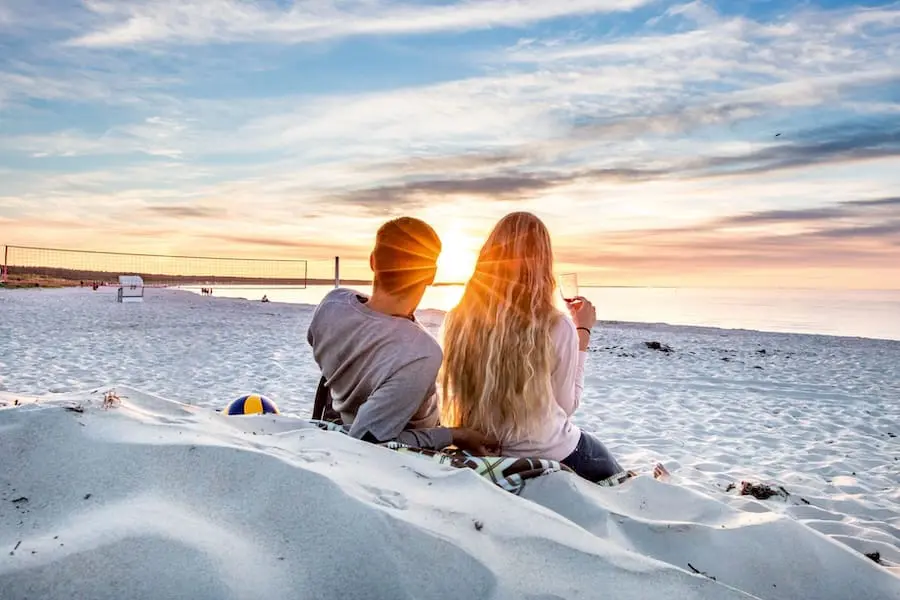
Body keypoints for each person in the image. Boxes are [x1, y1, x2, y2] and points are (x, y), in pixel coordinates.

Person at [440, 212, 666, 484]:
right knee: (613, 471)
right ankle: (646, 485)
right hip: (545, 452)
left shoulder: (456, 319)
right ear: (543, 263)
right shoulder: (556, 325)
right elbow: (566, 405)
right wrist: (582, 332)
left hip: (478, 450)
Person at [307, 217, 498, 455]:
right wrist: (455, 435)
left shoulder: (332, 304)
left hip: (340, 410)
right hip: (395, 453)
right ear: (430, 275)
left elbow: (319, 342)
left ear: (372, 261)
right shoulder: (421, 352)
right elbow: (367, 439)